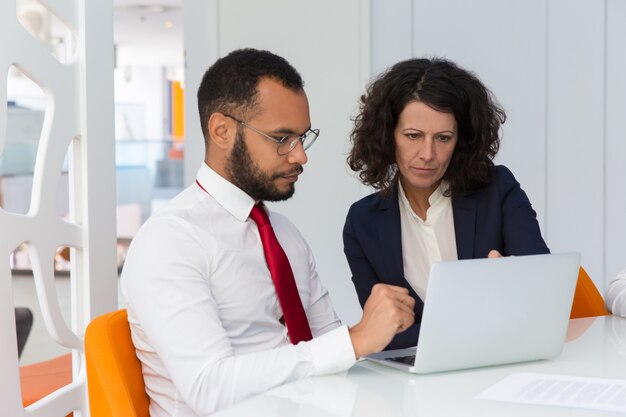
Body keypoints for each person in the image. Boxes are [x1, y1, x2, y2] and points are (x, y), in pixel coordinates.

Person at [120, 48, 415, 417]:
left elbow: (331, 350)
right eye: (282, 139)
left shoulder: (285, 235)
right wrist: (354, 340)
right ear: (222, 131)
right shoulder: (170, 240)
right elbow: (208, 388)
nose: (300, 156)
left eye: (302, 138)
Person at [343, 57, 549, 350]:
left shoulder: (498, 190)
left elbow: (543, 292)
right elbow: (383, 334)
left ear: (461, 141)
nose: (428, 153)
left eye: (443, 138)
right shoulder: (363, 222)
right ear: (388, 136)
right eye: (413, 136)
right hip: (418, 382)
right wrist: (497, 308)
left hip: (502, 364)